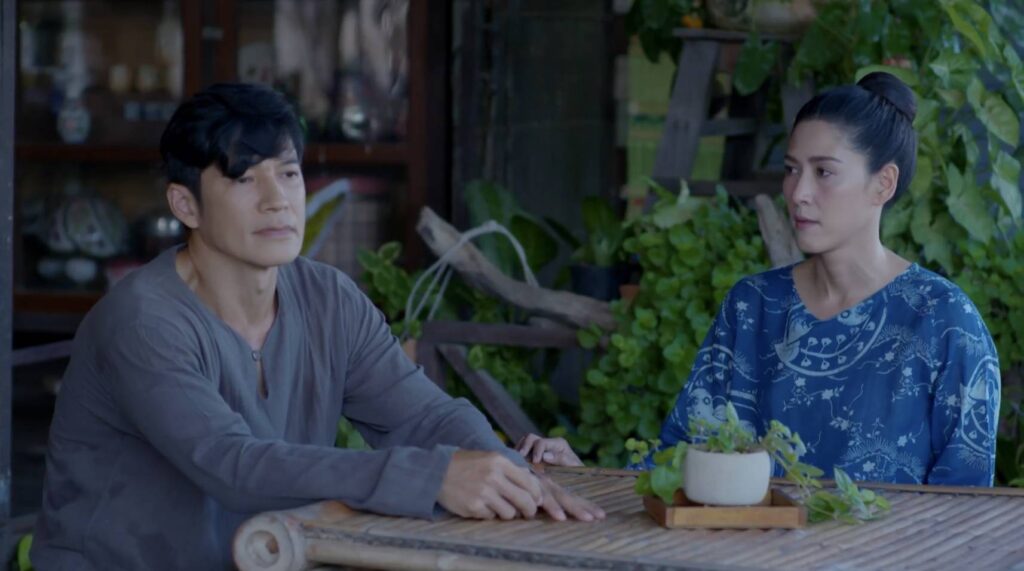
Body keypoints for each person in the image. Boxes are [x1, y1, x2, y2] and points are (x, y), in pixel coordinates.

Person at [32, 83, 603, 570]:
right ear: (185, 205)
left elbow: (422, 416)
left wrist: (511, 474)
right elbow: (234, 465)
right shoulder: (143, 320)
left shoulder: (329, 298)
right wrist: (432, 478)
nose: (277, 200)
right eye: (244, 179)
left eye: (288, 173)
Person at [518, 72, 1001, 486]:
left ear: (883, 183)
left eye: (824, 172)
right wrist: (587, 478)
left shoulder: (944, 321)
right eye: (791, 169)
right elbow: (687, 458)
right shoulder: (754, 305)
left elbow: (964, 506)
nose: (798, 191)